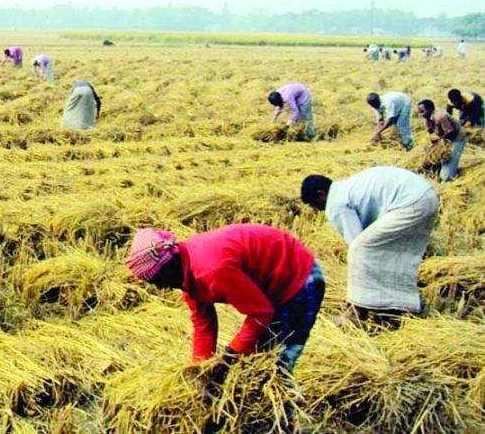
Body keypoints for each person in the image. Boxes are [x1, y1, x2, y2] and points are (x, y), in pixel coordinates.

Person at [124, 224, 324, 390]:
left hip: (297, 277)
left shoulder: (212, 269)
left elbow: (260, 313)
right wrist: (202, 372)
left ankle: (284, 422)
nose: (160, 287)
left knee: (277, 365)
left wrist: (229, 358)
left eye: (158, 280)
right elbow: (204, 324)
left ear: (169, 264)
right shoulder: (186, 276)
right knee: (256, 360)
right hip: (270, 289)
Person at [300, 167, 438, 323]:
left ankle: (355, 312)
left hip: (411, 202)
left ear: (321, 194)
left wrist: (355, 288)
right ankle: (397, 305)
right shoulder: (346, 188)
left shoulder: (336, 203)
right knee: (391, 252)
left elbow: (356, 244)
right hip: (425, 195)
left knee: (361, 249)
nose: (316, 209)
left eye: (314, 204)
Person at [417, 99, 467, 182]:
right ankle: (437, 167)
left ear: (430, 110)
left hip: (456, 139)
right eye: (419, 111)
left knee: (446, 177)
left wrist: (440, 144)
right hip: (443, 138)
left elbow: (450, 132)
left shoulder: (441, 116)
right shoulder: (426, 117)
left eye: (422, 111)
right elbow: (430, 132)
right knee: (430, 157)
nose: (420, 114)